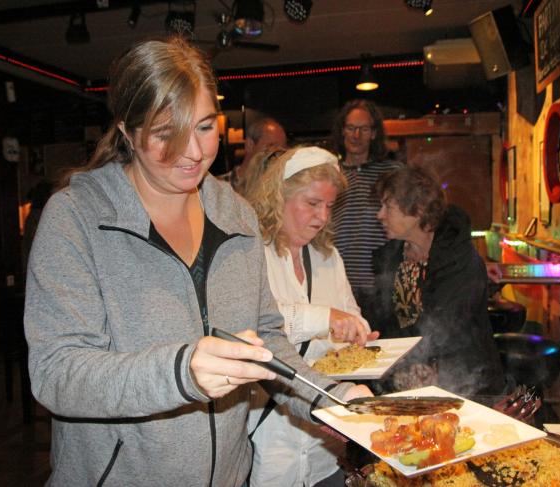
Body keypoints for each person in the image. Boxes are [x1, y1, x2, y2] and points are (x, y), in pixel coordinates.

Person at [24, 37, 369, 486]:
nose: (192, 152)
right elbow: (57, 373)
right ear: (128, 131)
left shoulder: (237, 216)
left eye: (205, 127)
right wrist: (181, 371)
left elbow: (266, 339)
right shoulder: (78, 218)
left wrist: (328, 396)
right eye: (167, 133)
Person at [247, 146, 378, 487]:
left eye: (329, 206)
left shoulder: (328, 257)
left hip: (325, 447)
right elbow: (256, 330)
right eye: (312, 203)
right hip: (269, 442)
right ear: (279, 196)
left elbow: (349, 314)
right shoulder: (250, 253)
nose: (322, 216)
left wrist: (355, 335)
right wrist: (326, 318)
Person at [371, 165, 505, 397]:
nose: (379, 214)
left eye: (388, 207)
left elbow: (448, 329)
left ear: (418, 209)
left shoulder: (459, 259)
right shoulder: (392, 257)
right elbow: (388, 319)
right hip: (407, 377)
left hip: (465, 382)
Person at [329, 99, 403, 320]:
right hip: (338, 284)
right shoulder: (331, 173)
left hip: (382, 282)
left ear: (374, 133)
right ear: (342, 130)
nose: (356, 135)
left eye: (363, 129)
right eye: (351, 127)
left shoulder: (392, 173)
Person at [219, 117, 287, 194]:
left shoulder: (282, 190)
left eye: (282, 151)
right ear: (250, 145)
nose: (277, 155)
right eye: (271, 147)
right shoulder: (218, 187)